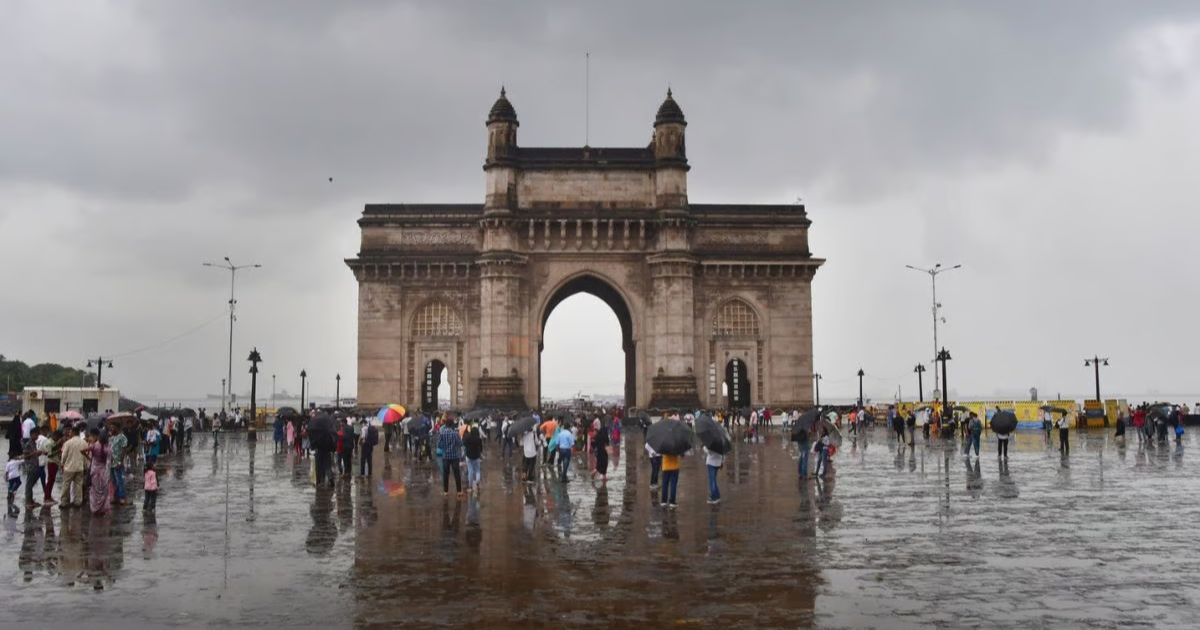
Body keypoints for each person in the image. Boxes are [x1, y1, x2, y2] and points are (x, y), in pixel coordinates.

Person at [60, 426, 89, 508]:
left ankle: (64, 502)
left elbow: (64, 455)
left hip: (69, 467)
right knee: (78, 485)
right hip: (80, 467)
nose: (69, 433)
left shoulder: (68, 443)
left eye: (70, 432)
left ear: (72, 432)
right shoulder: (84, 443)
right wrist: (85, 465)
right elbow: (85, 456)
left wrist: (62, 464)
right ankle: (78, 502)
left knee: (66, 485)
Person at [86, 428, 112, 516]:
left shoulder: (94, 445)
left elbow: (83, 450)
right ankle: (102, 509)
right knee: (103, 491)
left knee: (95, 490)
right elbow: (109, 462)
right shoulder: (108, 447)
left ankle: (95, 508)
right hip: (103, 471)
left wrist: (89, 458)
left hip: (94, 471)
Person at [437, 419, 464, 497]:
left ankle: (446, 491)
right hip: (455, 456)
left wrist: (445, 448)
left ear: (446, 425)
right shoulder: (455, 433)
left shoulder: (442, 433)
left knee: (445, 474)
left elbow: (439, 445)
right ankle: (459, 491)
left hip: (445, 457)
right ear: (452, 425)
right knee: (457, 474)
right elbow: (460, 443)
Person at [22, 429, 43, 507]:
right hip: (30, 466)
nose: (37, 436)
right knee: (29, 484)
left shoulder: (34, 443)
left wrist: (38, 453)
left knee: (31, 484)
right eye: (36, 435)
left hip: (35, 465)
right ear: (31, 435)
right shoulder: (28, 444)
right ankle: (28, 502)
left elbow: (33, 455)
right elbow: (25, 456)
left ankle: (30, 500)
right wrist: (34, 453)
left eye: (37, 435)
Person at [109, 422, 129, 506]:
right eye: (111, 428)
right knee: (113, 480)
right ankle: (115, 496)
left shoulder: (122, 437)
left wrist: (120, 461)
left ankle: (122, 497)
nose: (111, 429)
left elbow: (124, 450)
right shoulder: (111, 437)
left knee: (119, 480)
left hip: (118, 462)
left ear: (117, 428)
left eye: (113, 427)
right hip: (111, 462)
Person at [42, 429, 62, 505]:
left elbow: (52, 449)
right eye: (58, 437)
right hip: (52, 462)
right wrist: (59, 450)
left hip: (55, 462)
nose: (58, 439)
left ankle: (48, 496)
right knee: (50, 480)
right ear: (55, 436)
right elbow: (49, 454)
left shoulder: (53, 442)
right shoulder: (49, 442)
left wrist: (57, 445)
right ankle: (46, 497)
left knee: (52, 480)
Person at [463, 425, 483, 492]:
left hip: (469, 456)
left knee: (470, 471)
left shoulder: (467, 438)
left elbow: (464, 444)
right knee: (477, 470)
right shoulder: (479, 439)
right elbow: (481, 448)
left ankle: (470, 486)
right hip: (476, 456)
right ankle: (477, 482)